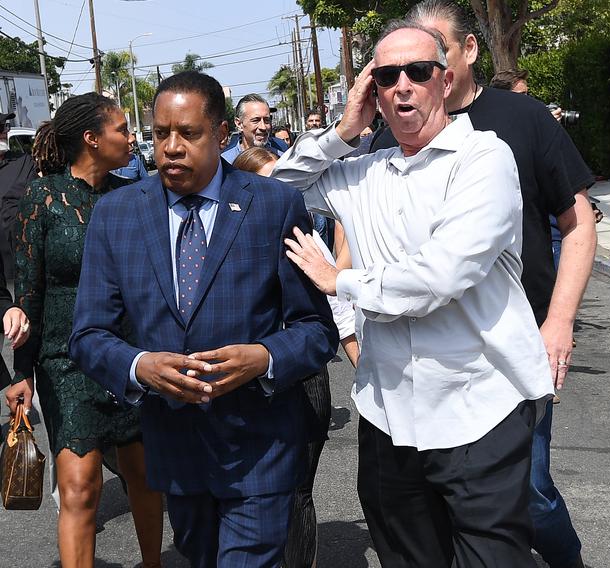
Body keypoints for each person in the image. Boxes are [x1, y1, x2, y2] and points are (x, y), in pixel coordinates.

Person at [272, 21, 553, 567]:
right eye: (385, 75)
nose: (402, 85)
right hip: (389, 415)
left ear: (444, 82)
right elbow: (272, 190)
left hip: (480, 407)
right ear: (372, 91)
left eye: (417, 72)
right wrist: (342, 130)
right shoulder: (362, 171)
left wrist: (342, 283)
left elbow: (442, 275)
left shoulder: (484, 159)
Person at [67, 72, 339, 567]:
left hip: (260, 448)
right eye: (159, 134)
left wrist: (264, 357)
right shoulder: (117, 215)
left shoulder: (273, 205)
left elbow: (318, 330)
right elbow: (88, 334)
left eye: (188, 134)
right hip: (176, 449)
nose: (170, 148)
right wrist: (139, 366)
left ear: (221, 135)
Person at [369, 3, 597, 565]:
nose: (407, 80)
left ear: (462, 54)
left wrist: (559, 322)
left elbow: (578, 222)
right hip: (418, 374)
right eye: (391, 71)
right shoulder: (388, 137)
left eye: (427, 59)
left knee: (532, 497)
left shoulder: (521, 120)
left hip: (513, 353)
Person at [5, 92, 164, 567]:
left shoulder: (135, 196)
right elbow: (28, 291)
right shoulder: (43, 197)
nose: (131, 137)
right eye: (121, 129)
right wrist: (22, 373)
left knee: (143, 473)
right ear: (92, 139)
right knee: (79, 486)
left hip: (129, 355)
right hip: (64, 358)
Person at [234, 145, 359, 568]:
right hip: (242, 384)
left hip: (305, 379)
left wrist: (367, 367)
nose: (280, 195)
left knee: (297, 491)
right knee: (249, 494)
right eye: (270, 183)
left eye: (287, 183)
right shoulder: (222, 242)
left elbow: (339, 316)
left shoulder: (302, 238)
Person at [0, 112, 37, 288]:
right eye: (0, 128)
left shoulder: (23, 162)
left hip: (15, 267)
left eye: (5, 128)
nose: (4, 133)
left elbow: (30, 201)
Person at [220, 93, 288, 163]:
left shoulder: (281, 160)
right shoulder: (225, 162)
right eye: (256, 120)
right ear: (239, 123)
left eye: (266, 120)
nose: (263, 127)